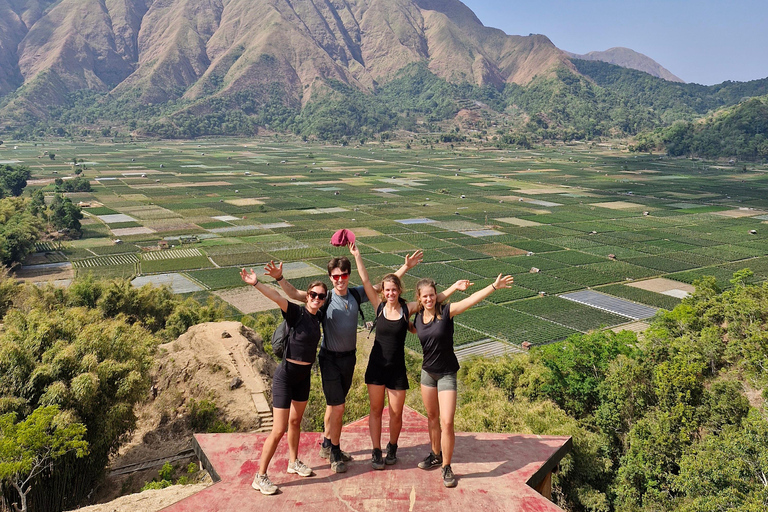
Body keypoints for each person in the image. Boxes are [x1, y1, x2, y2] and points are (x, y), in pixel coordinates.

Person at [264, 243, 423, 473]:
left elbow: (379, 286)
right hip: (329, 359)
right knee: (338, 407)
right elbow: (293, 294)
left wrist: (405, 267)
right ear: (330, 277)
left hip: (350, 359)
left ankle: (328, 443)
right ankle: (335, 452)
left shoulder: (356, 294)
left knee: (334, 406)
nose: (340, 279)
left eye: (344, 275)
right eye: (336, 276)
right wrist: (280, 278)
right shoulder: (323, 297)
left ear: (348, 275)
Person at [350, 243, 472, 470]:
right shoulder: (378, 306)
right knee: (375, 411)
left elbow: (433, 299)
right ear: (383, 292)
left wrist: (455, 287)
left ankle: (392, 447)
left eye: (394, 290)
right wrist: (358, 256)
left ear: (400, 291)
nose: (390, 293)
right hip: (376, 365)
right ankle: (376, 451)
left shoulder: (408, 309)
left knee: (396, 414)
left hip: (396, 368)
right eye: (386, 290)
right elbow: (366, 282)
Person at [413, 274, 514, 488]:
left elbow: (472, 300)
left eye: (432, 295)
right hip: (427, 374)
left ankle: (447, 466)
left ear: (436, 296)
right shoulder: (417, 317)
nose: (429, 299)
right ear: (419, 298)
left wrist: (494, 286)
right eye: (425, 297)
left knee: (447, 422)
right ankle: (435, 454)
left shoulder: (447, 312)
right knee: (432, 417)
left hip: (447, 373)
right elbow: (395, 311)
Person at [239, 268, 327, 495]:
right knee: (278, 429)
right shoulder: (296, 313)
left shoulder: (319, 318)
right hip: (285, 376)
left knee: (295, 423)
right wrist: (256, 282)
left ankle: (293, 461)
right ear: (307, 296)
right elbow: (277, 297)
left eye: (321, 296)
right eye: (313, 295)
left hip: (303, 378)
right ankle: (260, 476)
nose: (317, 298)